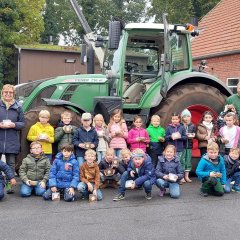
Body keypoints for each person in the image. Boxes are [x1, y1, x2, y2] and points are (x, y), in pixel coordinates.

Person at [0, 84, 25, 193]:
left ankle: (10, 187)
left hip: (12, 140)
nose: (8, 94)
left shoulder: (18, 107)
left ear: (13, 94)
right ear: (2, 93)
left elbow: (23, 124)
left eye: (10, 92)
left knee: (10, 164)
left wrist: (14, 125)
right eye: (6, 92)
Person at [180, 109, 196, 183]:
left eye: (188, 116)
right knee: (182, 160)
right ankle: (182, 176)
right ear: (182, 118)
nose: (186, 118)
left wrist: (192, 135)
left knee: (188, 161)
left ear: (190, 117)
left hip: (189, 145)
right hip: (182, 146)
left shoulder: (192, 126)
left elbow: (194, 134)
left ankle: (187, 176)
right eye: (184, 116)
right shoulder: (180, 126)